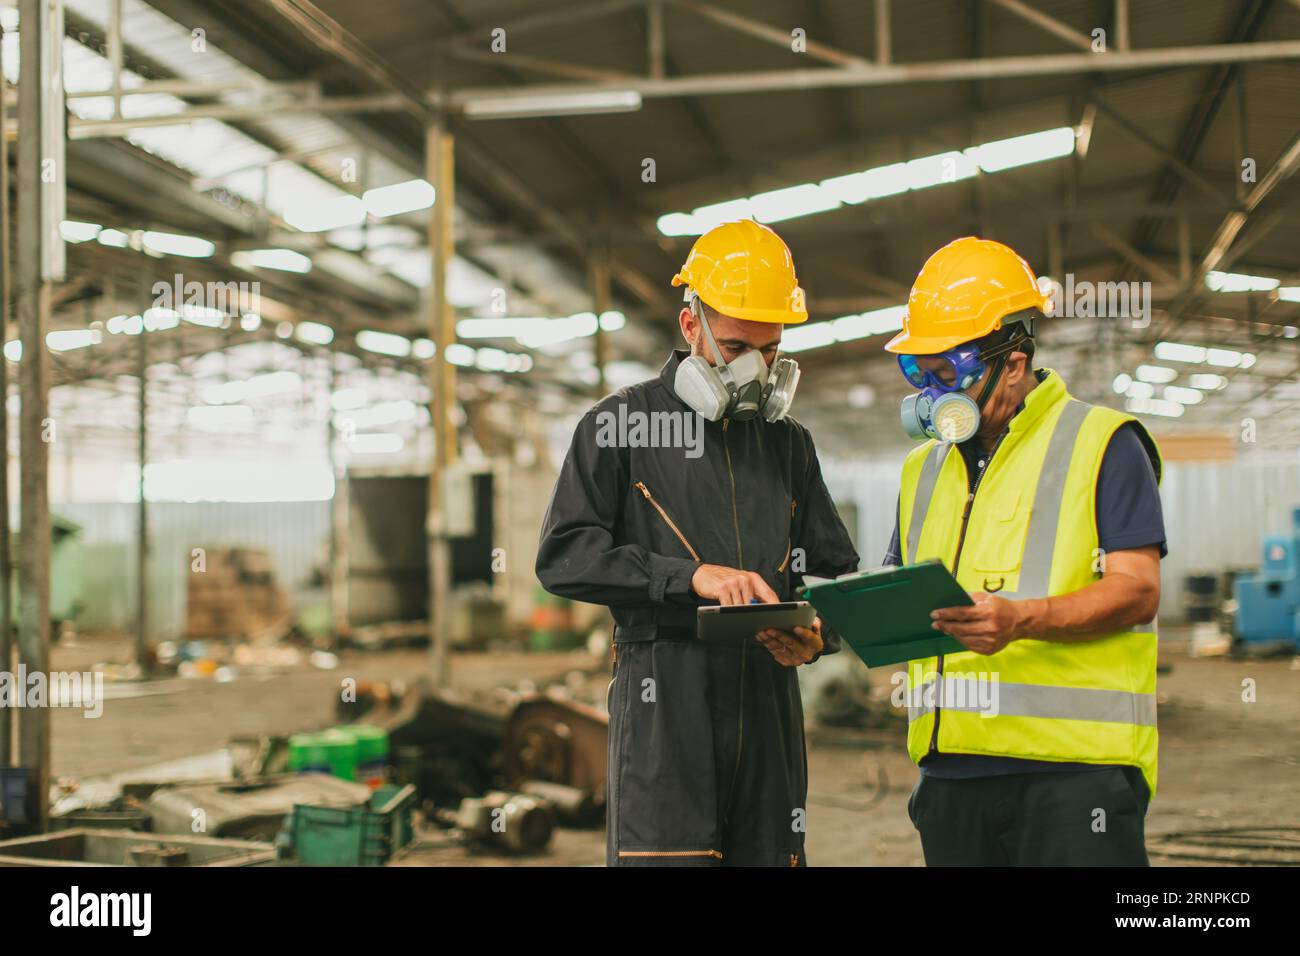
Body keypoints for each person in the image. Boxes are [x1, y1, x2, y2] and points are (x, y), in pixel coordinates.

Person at [536, 219, 860, 866]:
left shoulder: (788, 444)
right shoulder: (619, 427)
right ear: (691, 328)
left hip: (768, 714)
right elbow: (564, 556)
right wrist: (690, 578)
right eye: (738, 346)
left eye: (770, 352)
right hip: (665, 708)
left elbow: (835, 573)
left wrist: (819, 630)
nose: (757, 370)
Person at [882, 236, 1166, 866]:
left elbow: (1138, 590)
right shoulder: (920, 471)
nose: (929, 392)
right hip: (950, 777)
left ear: (1012, 361)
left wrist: (1021, 619)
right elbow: (897, 589)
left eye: (946, 373)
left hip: (1073, 777)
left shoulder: (1104, 443)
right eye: (916, 372)